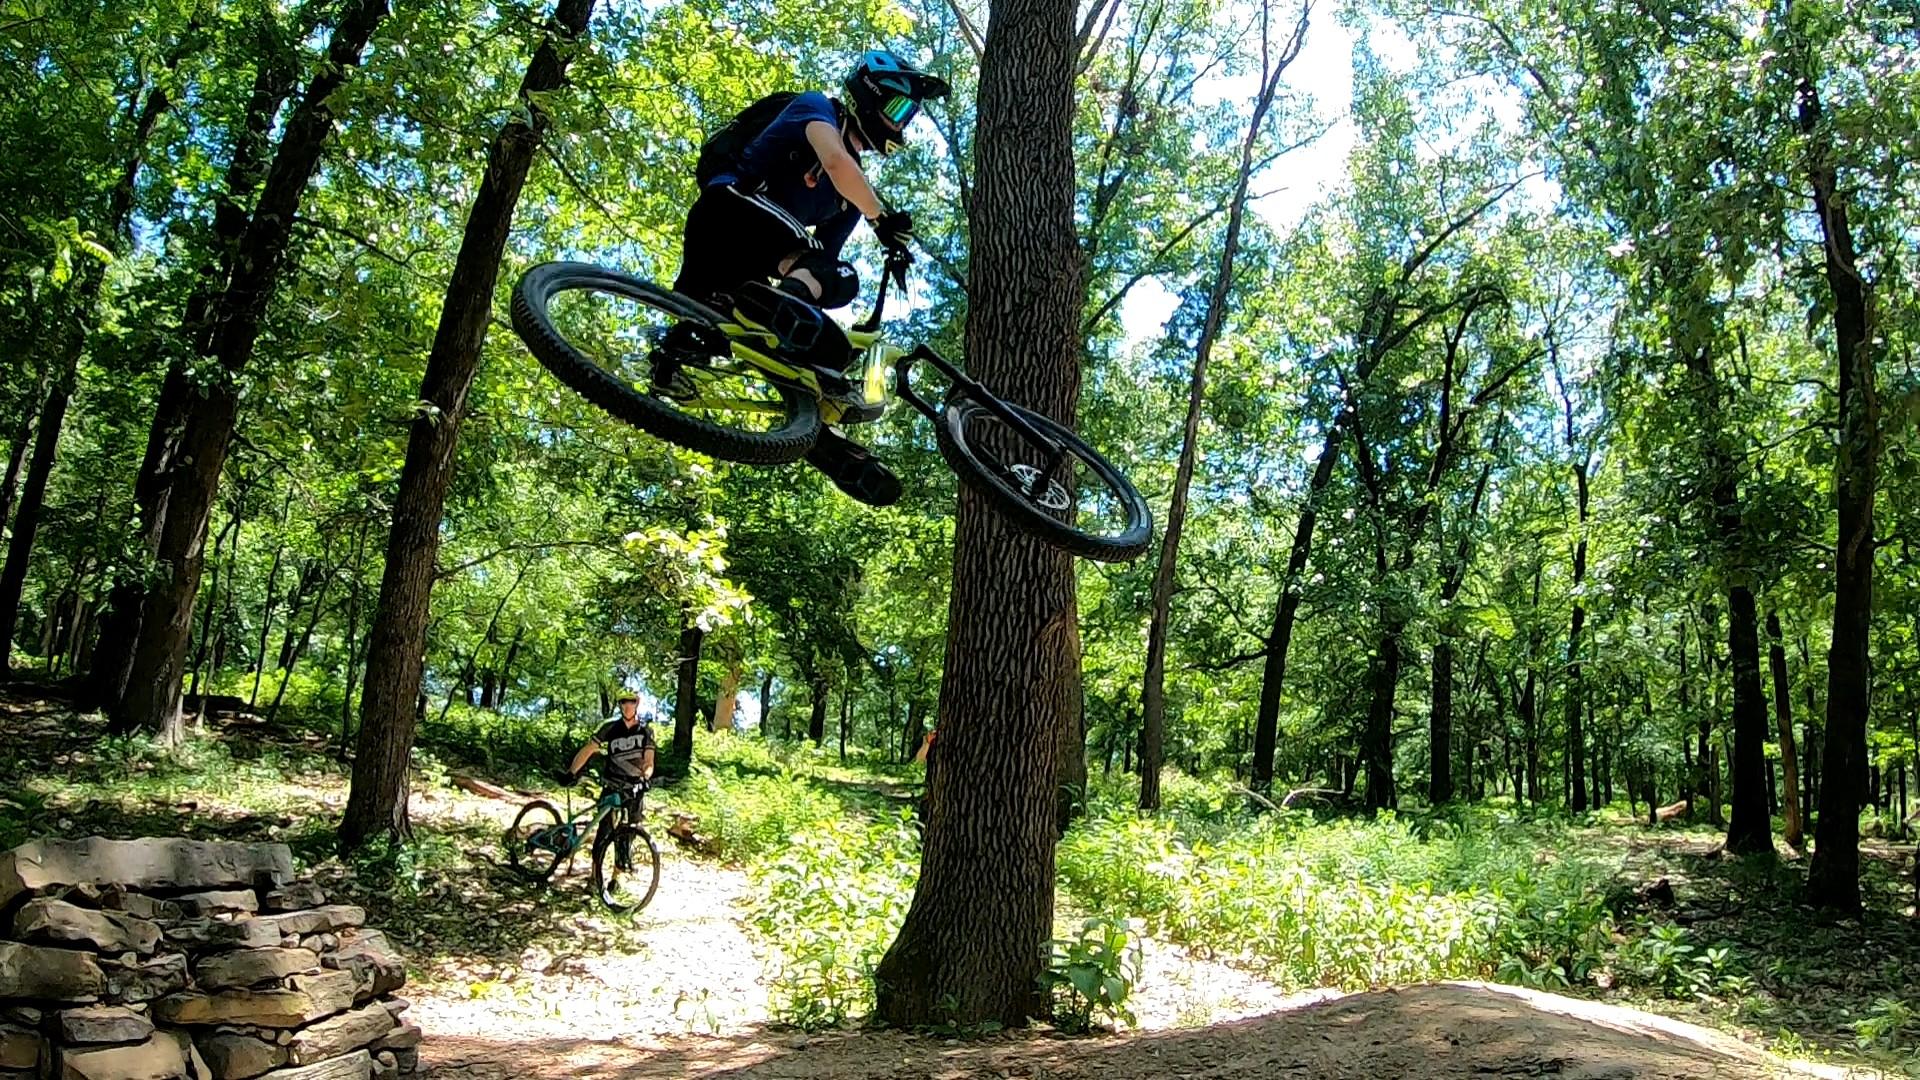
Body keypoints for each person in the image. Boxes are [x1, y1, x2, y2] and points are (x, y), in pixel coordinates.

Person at [659, 49, 950, 504]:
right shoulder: (817, 108)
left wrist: (815, 360)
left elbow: (820, 269)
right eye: (898, 108)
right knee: (814, 292)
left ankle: (820, 440)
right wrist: (881, 219)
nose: (901, 123)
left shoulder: (846, 204)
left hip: (744, 270)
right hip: (729, 210)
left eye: (908, 115)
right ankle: (769, 316)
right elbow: (835, 161)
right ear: (869, 94)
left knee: (827, 296)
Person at [566, 692, 656, 864]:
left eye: (631, 701)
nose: (627, 705)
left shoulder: (646, 731)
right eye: (623, 701)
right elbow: (589, 749)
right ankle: (594, 877)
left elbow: (649, 761)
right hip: (612, 785)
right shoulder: (610, 728)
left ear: (637, 704)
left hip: (634, 789)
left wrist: (645, 778)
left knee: (627, 835)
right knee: (603, 831)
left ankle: (616, 878)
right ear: (620, 705)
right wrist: (572, 772)